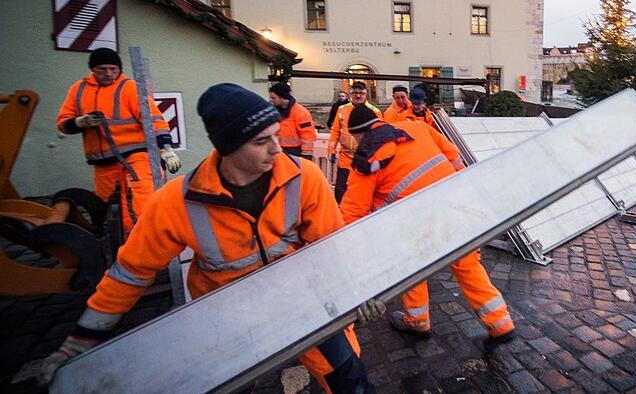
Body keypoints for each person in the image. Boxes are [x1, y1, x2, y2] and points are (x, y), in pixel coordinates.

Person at [40, 83, 384, 393]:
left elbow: (332, 245)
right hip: (228, 317)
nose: (276, 149)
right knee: (232, 384)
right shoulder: (177, 202)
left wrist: (356, 292)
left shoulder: (303, 178)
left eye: (276, 135)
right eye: (261, 141)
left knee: (348, 380)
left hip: (301, 300)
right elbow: (130, 273)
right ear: (227, 147)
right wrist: (80, 342)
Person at [339, 105, 514, 343]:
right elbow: (453, 156)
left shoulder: (366, 159)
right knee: (467, 263)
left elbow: (352, 212)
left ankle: (418, 321)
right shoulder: (416, 128)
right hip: (453, 206)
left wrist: (345, 251)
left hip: (413, 225)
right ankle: (500, 323)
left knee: (411, 268)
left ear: (359, 135)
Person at [56, 47, 181, 234]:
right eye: (102, 69)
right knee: (109, 206)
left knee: (144, 195)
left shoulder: (128, 87)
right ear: (92, 69)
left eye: (113, 69)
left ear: (119, 69)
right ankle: (123, 240)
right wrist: (79, 122)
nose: (108, 73)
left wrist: (166, 148)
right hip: (103, 161)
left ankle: (152, 235)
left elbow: (153, 119)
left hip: (138, 154)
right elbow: (63, 123)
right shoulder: (78, 90)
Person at [327, 81, 382, 203]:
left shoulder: (375, 111)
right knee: (340, 191)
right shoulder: (342, 109)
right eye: (355, 93)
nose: (358, 96)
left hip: (364, 159)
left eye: (361, 93)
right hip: (345, 158)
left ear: (366, 94)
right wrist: (331, 150)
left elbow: (379, 135)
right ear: (350, 94)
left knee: (362, 192)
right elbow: (335, 131)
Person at [268, 82, 318, 160]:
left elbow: (307, 136)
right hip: (277, 151)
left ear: (281, 97)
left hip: (294, 152)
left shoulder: (300, 112)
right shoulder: (273, 111)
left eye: (273, 98)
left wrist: (306, 157)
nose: (271, 100)